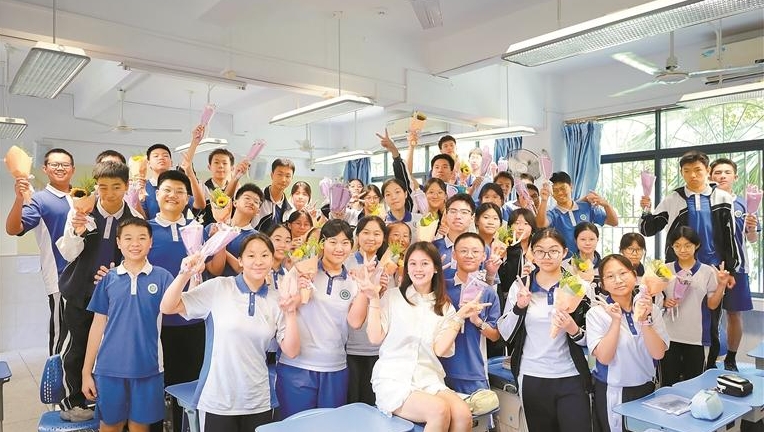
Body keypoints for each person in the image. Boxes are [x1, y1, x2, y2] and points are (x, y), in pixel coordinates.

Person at [161, 234, 301, 431]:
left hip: (258, 400)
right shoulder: (219, 287)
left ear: (272, 260)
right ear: (240, 261)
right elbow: (168, 307)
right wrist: (184, 274)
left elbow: (292, 351)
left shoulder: (276, 299)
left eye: (264, 255)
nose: (258, 261)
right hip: (217, 400)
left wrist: (291, 313)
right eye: (251, 255)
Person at [364, 242, 482, 431]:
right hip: (393, 379)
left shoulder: (445, 307)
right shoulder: (393, 297)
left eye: (424, 263)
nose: (418, 269)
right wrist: (373, 299)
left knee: (463, 414)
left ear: (435, 268)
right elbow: (374, 337)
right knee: (438, 410)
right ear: (407, 268)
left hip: (428, 379)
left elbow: (440, 350)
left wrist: (459, 317)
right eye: (413, 263)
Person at [56, 161, 141, 421]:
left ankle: (105, 400)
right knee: (75, 349)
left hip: (114, 300)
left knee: (110, 349)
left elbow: (137, 258)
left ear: (126, 187)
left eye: (116, 187)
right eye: (103, 187)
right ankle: (72, 402)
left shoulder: (135, 219)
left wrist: (118, 273)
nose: (109, 193)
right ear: (96, 187)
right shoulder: (82, 212)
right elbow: (67, 253)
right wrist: (76, 231)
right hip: (78, 293)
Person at [640, 150, 738, 370]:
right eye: (687, 171)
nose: (693, 175)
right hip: (676, 270)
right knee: (671, 315)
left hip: (711, 269)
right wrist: (646, 208)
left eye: (698, 170)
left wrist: (730, 270)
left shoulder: (723, 198)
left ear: (707, 171)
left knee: (711, 321)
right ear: (682, 172)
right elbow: (648, 229)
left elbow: (730, 236)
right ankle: (672, 367)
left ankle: (708, 367)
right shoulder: (673, 199)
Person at [81, 218, 174, 432]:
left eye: (142, 238)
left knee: (139, 427)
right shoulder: (108, 279)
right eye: (128, 238)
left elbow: (183, 305)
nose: (135, 244)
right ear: (118, 242)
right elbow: (97, 326)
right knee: (110, 426)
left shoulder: (163, 278)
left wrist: (192, 273)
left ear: (151, 242)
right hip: (108, 369)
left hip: (148, 368)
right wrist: (86, 372)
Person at [497, 228, 592, 432]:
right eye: (540, 251)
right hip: (532, 375)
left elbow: (591, 339)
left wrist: (572, 328)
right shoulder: (521, 285)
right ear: (532, 253)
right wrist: (519, 307)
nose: (546, 256)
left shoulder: (577, 286)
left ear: (564, 252)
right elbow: (505, 332)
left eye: (553, 251)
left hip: (571, 375)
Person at [274, 220, 369, 419]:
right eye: (333, 242)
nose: (339, 248)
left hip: (335, 367)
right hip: (297, 368)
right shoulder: (301, 271)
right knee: (295, 427)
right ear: (322, 244)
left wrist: (364, 289)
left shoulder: (352, 280)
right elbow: (285, 306)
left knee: (330, 426)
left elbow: (355, 322)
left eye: (345, 243)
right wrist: (303, 288)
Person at [145, 170, 205, 432]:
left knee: (187, 388)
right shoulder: (144, 230)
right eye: (167, 190)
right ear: (157, 194)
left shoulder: (197, 230)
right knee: (152, 389)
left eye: (180, 192)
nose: (173, 196)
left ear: (188, 198)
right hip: (153, 325)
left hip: (190, 323)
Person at [587, 254, 669, 432]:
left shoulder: (652, 310)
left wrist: (645, 320)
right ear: (603, 284)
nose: (618, 280)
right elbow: (604, 358)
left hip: (647, 389)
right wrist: (616, 321)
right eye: (610, 276)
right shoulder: (596, 313)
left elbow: (658, 353)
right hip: (614, 391)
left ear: (634, 275)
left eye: (623, 273)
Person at [5, 148, 75, 356]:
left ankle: (79, 378)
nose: (60, 168)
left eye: (65, 164)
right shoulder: (39, 199)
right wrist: (19, 199)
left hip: (88, 278)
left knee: (84, 337)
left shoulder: (82, 196)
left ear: (72, 169)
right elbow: (13, 229)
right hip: (60, 278)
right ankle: (55, 376)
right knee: (61, 338)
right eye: (54, 164)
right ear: (45, 169)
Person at [660, 226, 732, 386]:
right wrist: (664, 302)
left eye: (687, 245)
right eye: (677, 245)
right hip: (668, 337)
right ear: (672, 246)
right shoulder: (664, 269)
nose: (682, 250)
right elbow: (653, 297)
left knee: (693, 385)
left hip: (696, 338)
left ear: (697, 245)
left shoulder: (707, 272)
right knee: (667, 384)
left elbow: (712, 305)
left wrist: (721, 285)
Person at [709, 158, 759, 371]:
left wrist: (751, 228)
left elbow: (752, 239)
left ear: (735, 177)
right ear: (710, 176)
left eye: (727, 172)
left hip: (737, 269)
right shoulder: (705, 202)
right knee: (707, 314)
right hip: (709, 267)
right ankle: (709, 358)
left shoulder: (745, 205)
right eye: (717, 172)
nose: (722, 176)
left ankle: (730, 358)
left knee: (734, 314)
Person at [440, 233, 501, 394]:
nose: (469, 255)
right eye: (463, 251)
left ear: (483, 256)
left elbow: (495, 336)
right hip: (438, 370)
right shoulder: (441, 288)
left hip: (473, 372)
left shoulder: (488, 292)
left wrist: (477, 321)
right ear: (454, 255)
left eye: (475, 251)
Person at [344, 216, 388, 405]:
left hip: (378, 348)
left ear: (383, 238)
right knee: (351, 402)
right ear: (357, 235)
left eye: (377, 233)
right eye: (366, 233)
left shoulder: (388, 266)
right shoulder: (345, 262)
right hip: (349, 346)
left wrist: (382, 291)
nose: (371, 238)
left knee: (373, 403)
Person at [537, 171, 618, 256]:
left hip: (589, 259)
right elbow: (541, 224)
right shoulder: (553, 214)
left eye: (563, 188)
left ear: (571, 186)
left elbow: (614, 222)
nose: (560, 193)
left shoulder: (587, 207)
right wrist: (544, 200)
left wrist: (606, 205)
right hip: (564, 261)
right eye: (555, 190)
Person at [141, 128, 206, 220]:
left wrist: (195, 142)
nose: (161, 158)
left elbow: (199, 205)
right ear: (148, 163)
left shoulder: (179, 185)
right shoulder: (144, 187)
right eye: (156, 156)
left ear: (171, 162)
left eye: (165, 155)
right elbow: (140, 217)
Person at [205, 183, 264, 277]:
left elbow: (245, 269)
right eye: (247, 198)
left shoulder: (257, 238)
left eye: (256, 202)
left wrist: (218, 240)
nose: (251, 202)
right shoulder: (212, 228)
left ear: (258, 211)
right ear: (235, 203)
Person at [433, 193, 476, 280]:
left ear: (472, 217)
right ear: (445, 215)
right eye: (453, 211)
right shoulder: (433, 247)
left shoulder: (481, 248)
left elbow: (489, 284)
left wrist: (491, 273)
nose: (458, 216)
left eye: (464, 212)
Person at [254, 158, 295, 232]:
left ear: (292, 178)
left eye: (288, 176)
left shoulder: (290, 209)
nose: (283, 179)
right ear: (272, 175)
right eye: (280, 174)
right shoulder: (256, 196)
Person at [198, 148, 235, 226]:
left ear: (232, 168)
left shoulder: (236, 191)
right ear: (209, 167)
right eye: (216, 162)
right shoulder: (202, 188)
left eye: (225, 163)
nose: (220, 166)